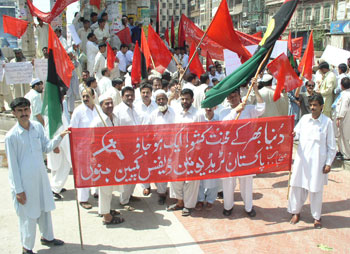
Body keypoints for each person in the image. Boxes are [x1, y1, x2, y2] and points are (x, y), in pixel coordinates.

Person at [5, 97, 68, 254]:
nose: (24, 113)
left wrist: (60, 137)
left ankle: (47, 237)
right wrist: (18, 190)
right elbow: (12, 166)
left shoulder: (37, 128)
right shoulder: (11, 136)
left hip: (40, 178)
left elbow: (46, 147)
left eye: (26, 110)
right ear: (14, 113)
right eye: (20, 111)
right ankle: (27, 247)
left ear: (30, 110)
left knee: (44, 209)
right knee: (28, 215)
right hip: (24, 183)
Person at [288, 93, 336, 229]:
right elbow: (296, 133)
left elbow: (332, 146)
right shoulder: (304, 119)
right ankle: (295, 212)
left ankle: (316, 217)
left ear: (322, 106)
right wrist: (294, 134)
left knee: (315, 190)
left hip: (317, 164)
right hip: (302, 161)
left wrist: (328, 163)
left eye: (315, 105)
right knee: (297, 187)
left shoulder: (327, 123)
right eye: (311, 105)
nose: (313, 108)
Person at [220, 80, 265, 217]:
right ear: (227, 99)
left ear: (240, 96)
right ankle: (228, 206)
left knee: (246, 181)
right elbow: (223, 125)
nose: (233, 99)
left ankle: (248, 207)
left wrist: (256, 90)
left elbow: (261, 108)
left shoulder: (249, 109)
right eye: (230, 97)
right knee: (228, 181)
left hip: (246, 151)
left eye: (235, 96)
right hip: (229, 151)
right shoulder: (224, 111)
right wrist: (235, 111)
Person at [90, 94, 125, 225]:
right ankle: (107, 217)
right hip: (103, 160)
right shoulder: (97, 122)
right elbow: (93, 143)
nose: (110, 106)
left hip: (114, 158)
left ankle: (106, 210)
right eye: (106, 104)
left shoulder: (114, 118)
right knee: (105, 189)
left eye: (111, 103)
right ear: (101, 105)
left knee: (110, 188)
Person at [167, 89, 200, 216]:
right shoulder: (176, 112)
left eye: (187, 99)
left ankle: (188, 205)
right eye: (182, 99)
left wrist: (196, 152)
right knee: (176, 177)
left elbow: (200, 134)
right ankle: (179, 202)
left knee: (191, 180)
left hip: (192, 152)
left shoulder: (198, 114)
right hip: (177, 151)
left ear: (192, 100)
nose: (184, 101)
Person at [144, 89, 175, 204]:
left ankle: (177, 195)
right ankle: (162, 194)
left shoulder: (174, 112)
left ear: (167, 100)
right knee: (161, 170)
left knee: (173, 169)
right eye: (158, 100)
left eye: (163, 99)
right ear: (156, 101)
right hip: (158, 149)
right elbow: (147, 131)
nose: (161, 101)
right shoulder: (152, 115)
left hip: (173, 148)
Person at [70, 88, 100, 209]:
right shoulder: (78, 111)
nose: (85, 99)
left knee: (98, 169)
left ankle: (97, 192)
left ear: (93, 96)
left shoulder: (98, 109)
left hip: (98, 147)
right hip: (83, 147)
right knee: (84, 172)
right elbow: (73, 129)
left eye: (88, 96)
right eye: (83, 96)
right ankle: (83, 199)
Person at [113, 87, 141, 208]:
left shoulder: (135, 109)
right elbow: (115, 131)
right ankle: (124, 200)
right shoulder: (118, 111)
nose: (130, 98)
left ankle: (130, 195)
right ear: (122, 96)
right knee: (126, 174)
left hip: (136, 147)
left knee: (135, 172)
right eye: (127, 95)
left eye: (131, 95)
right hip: (124, 148)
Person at [194, 106, 220, 211]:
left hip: (214, 151)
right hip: (200, 152)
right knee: (200, 177)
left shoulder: (219, 118)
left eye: (211, 106)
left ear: (215, 107)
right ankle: (200, 199)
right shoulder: (199, 117)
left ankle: (210, 200)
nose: (208, 108)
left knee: (213, 177)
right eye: (206, 106)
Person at [335, 77, 350, 160]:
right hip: (347, 117)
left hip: (345, 118)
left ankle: (347, 154)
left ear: (341, 85)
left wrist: (339, 118)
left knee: (344, 136)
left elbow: (343, 107)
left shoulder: (345, 95)